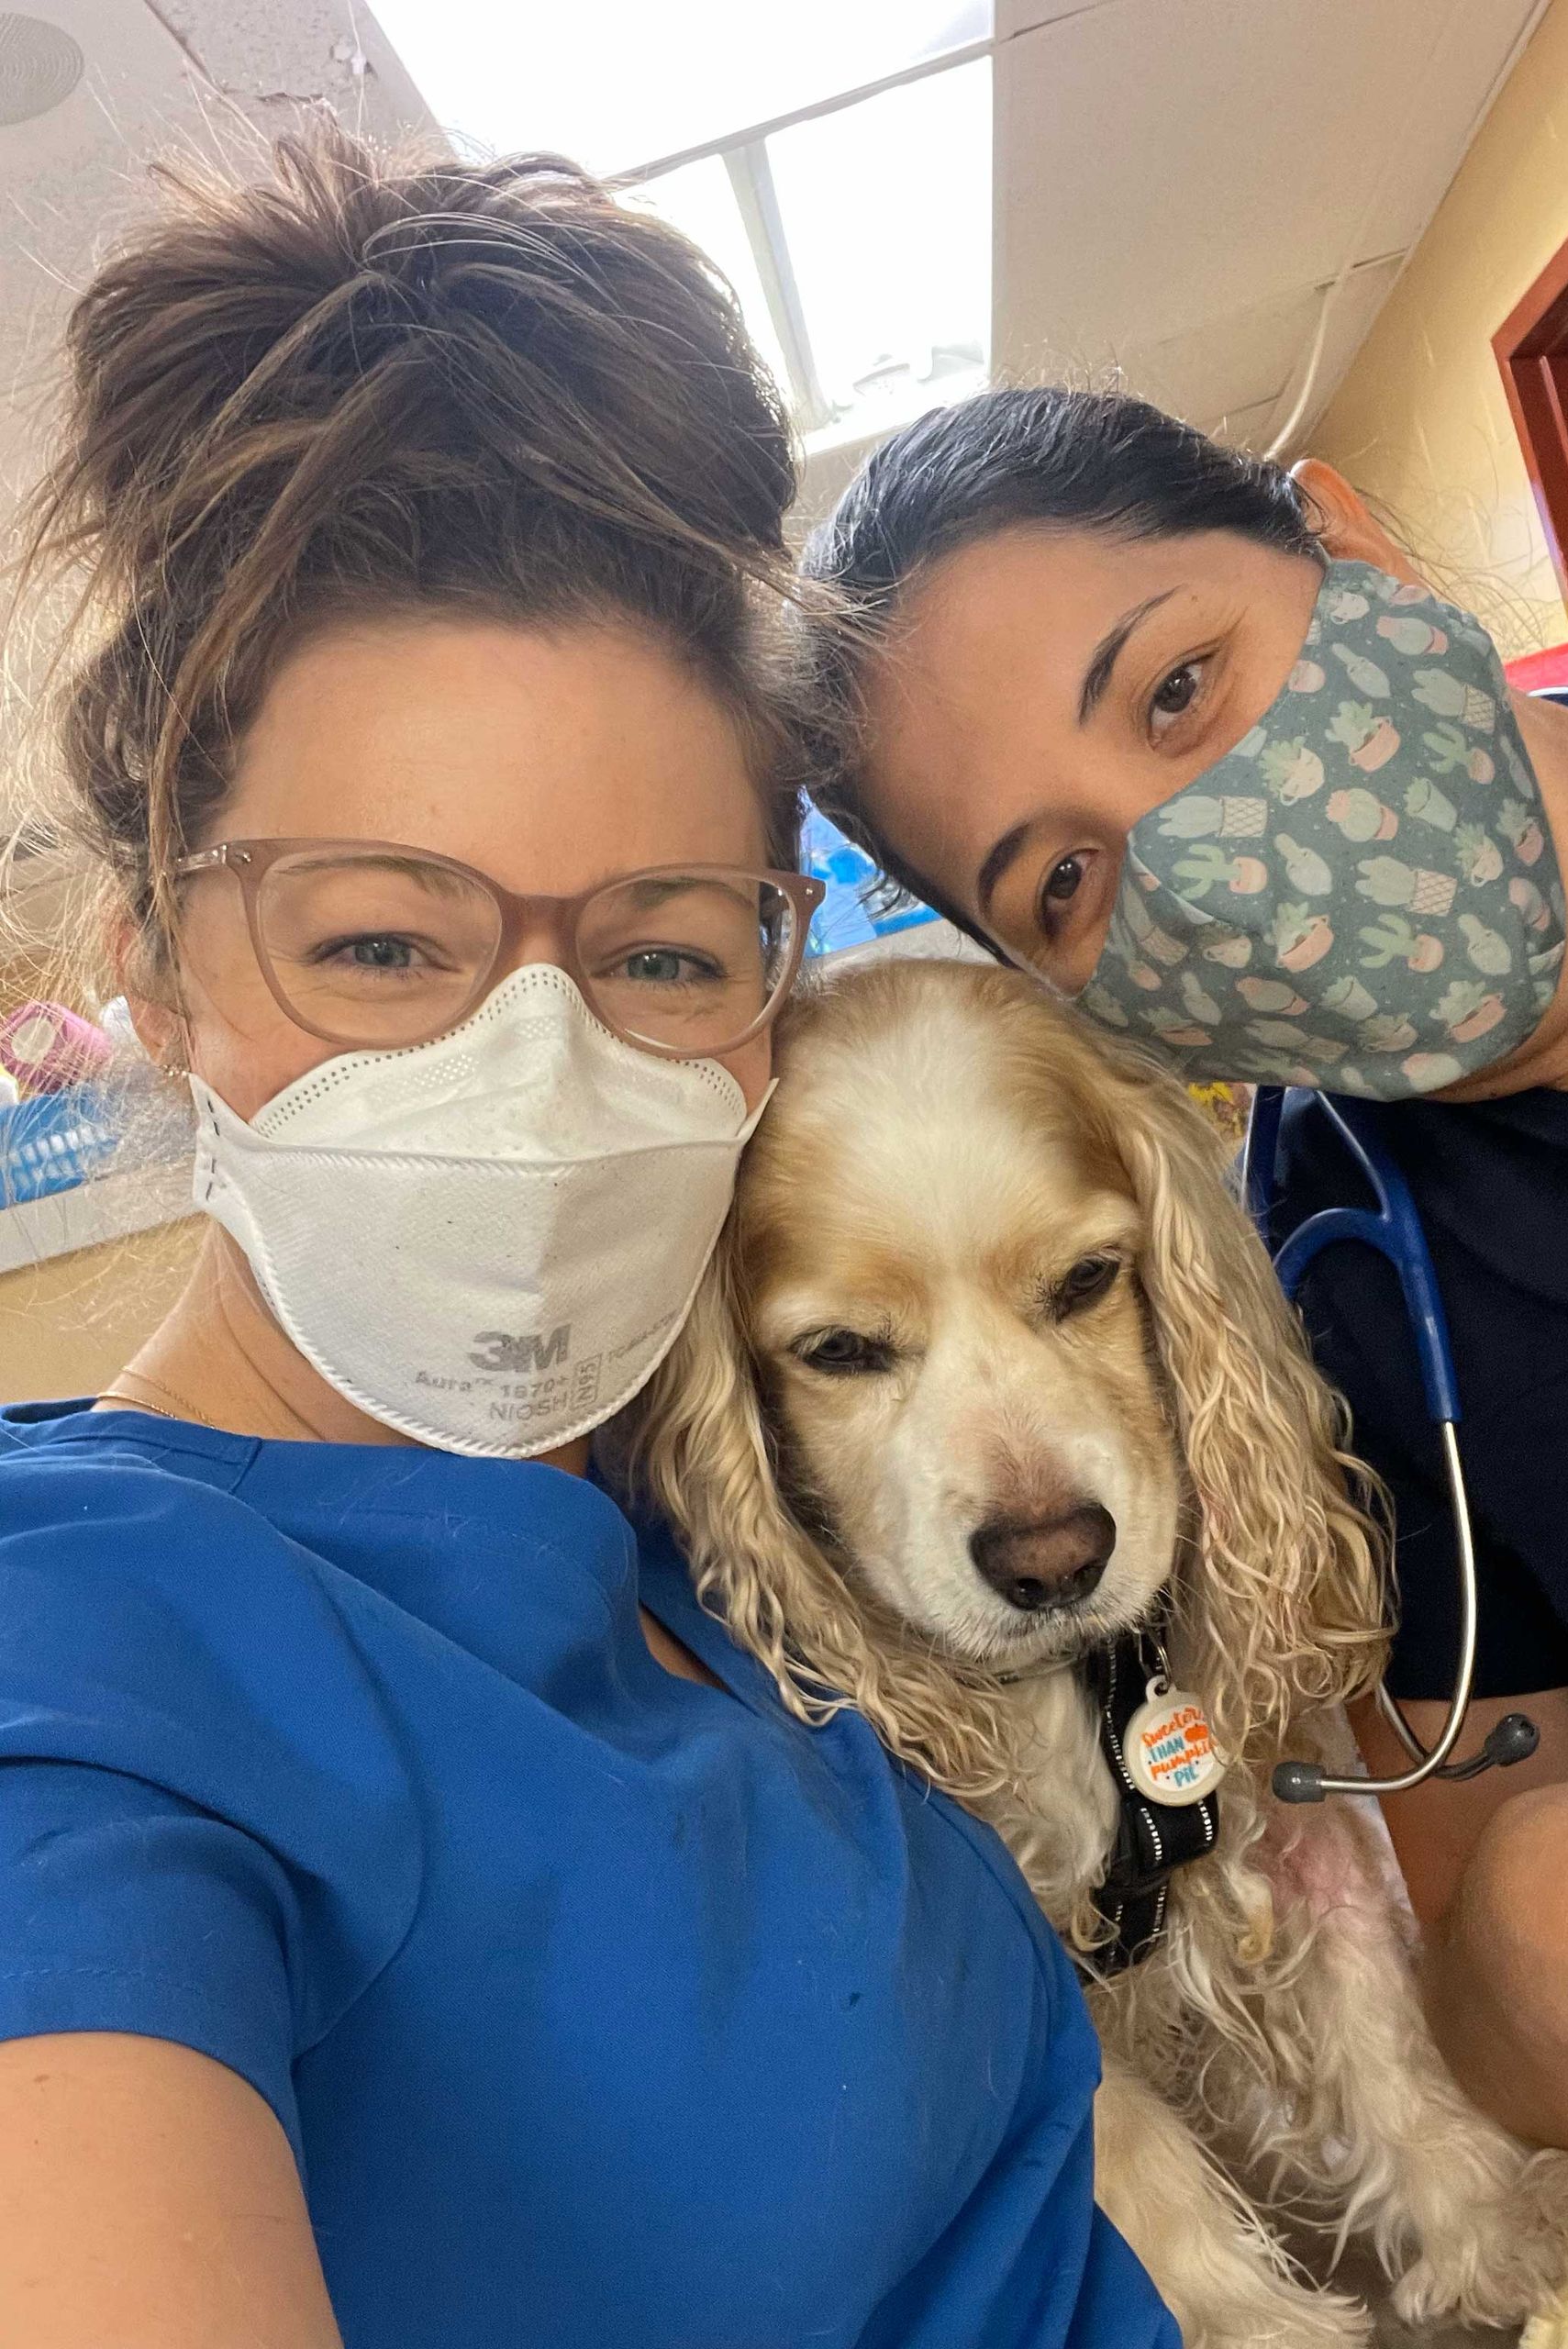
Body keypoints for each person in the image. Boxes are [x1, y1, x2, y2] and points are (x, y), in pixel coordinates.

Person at [0, 148, 1184, 2349]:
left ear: (775, 974)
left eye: (654, 949)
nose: (535, 1076)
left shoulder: (686, 1503)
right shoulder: (78, 1667)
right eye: (379, 939)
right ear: (152, 965)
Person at [793, 384, 1568, 2168]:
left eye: (1181, 687)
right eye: (1069, 880)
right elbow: (1489, 1989)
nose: (1209, 869)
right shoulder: (1335, 1270)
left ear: (1357, 545)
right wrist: (1561, 1920)